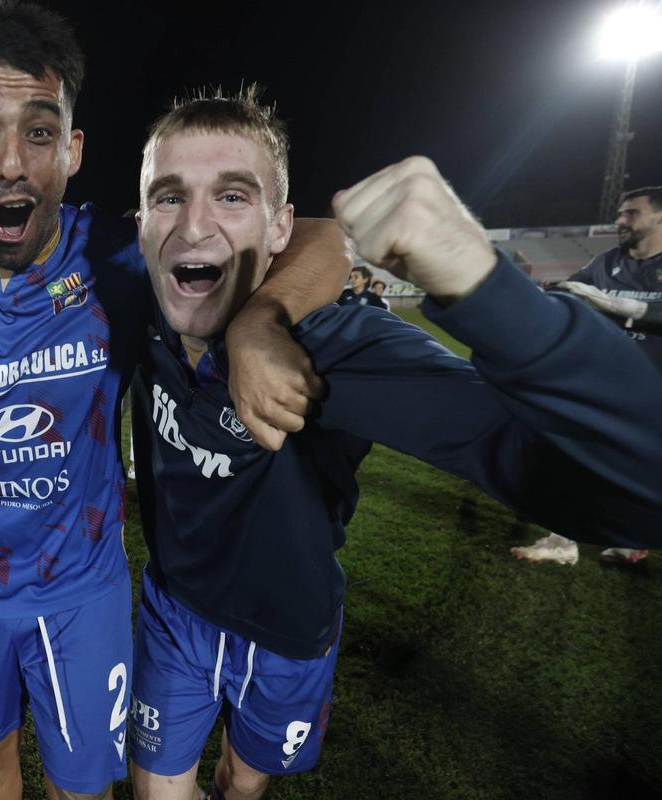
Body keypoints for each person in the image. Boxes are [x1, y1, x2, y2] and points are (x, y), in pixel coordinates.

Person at [0, 4, 347, 798]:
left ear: (72, 150)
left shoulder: (112, 257)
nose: (11, 163)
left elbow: (328, 236)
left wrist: (259, 321)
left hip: (84, 592)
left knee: (83, 787)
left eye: (39, 133)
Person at [126, 92, 662, 800]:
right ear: (140, 223)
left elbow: (637, 495)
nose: (193, 224)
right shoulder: (141, 301)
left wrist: (487, 289)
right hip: (173, 611)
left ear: (278, 225)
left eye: (231, 196)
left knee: (242, 784)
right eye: (169, 197)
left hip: (288, 632)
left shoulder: (335, 349)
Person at [511, 186, 662, 567]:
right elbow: (565, 292)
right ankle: (562, 541)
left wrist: (619, 306)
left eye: (630, 213)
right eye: (620, 213)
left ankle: (631, 538)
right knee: (574, 458)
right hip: (607, 384)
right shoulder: (606, 262)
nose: (619, 220)